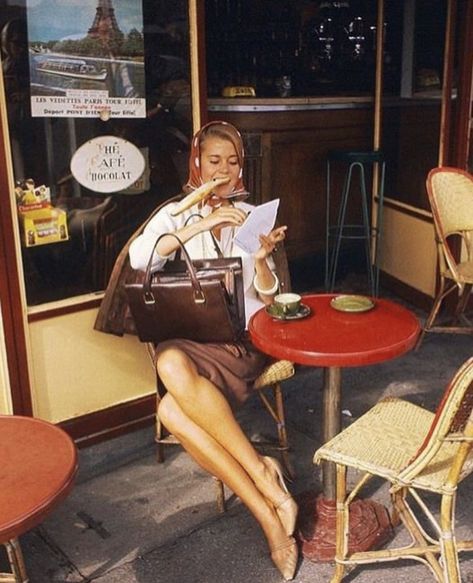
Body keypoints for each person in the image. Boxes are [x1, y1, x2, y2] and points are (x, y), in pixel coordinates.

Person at [128, 121, 298, 580]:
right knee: (170, 369)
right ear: (197, 163)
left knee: (171, 409)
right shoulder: (175, 213)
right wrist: (200, 221)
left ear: (242, 165)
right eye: (213, 160)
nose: (222, 170)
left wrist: (261, 261)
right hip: (192, 338)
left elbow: (269, 300)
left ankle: (266, 489)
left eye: (232, 161)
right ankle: (266, 501)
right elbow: (142, 259)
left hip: (241, 342)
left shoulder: (252, 214)